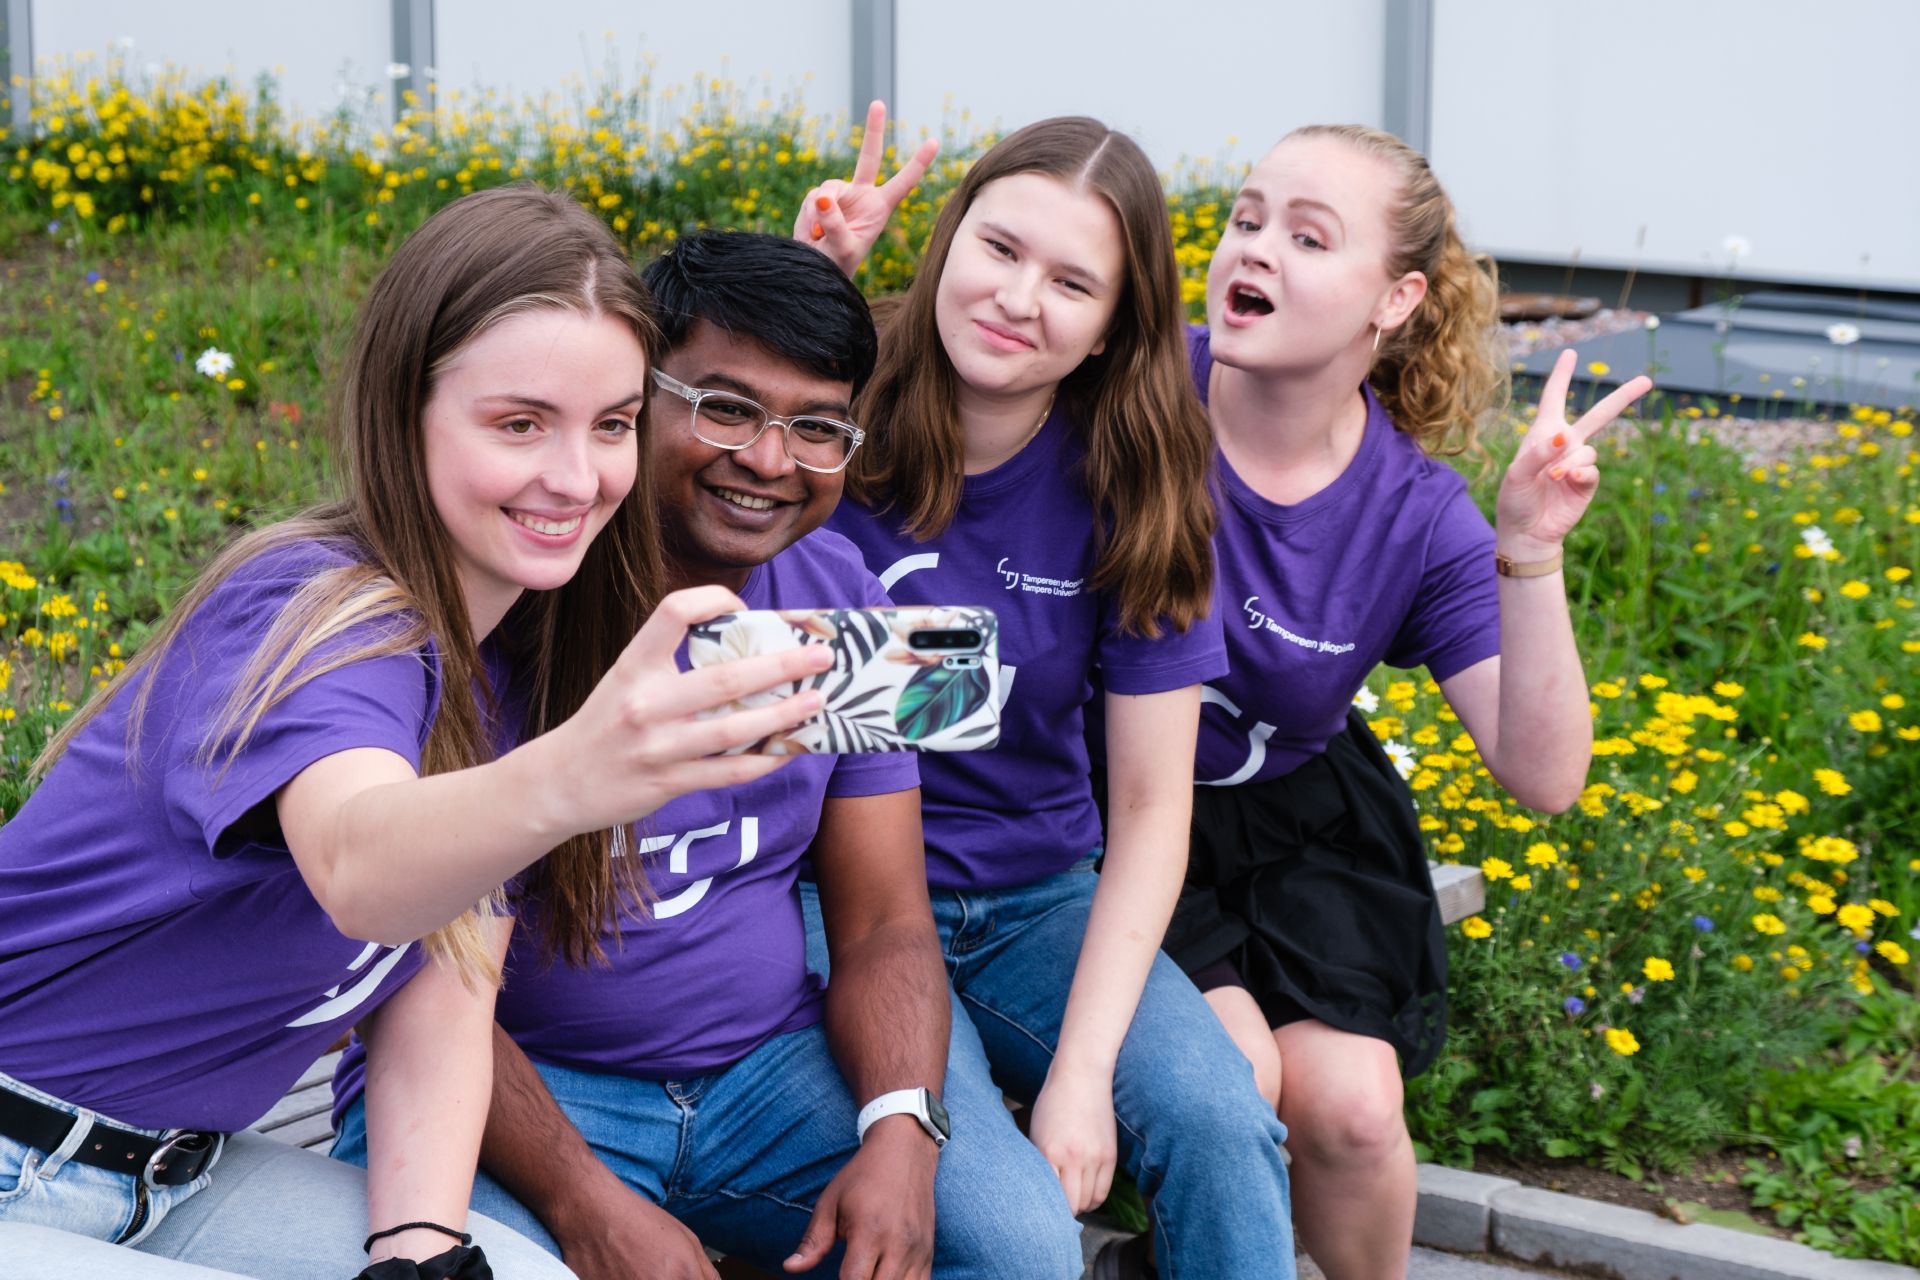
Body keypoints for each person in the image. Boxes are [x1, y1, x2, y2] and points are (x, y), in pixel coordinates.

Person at [0, 187, 828, 1279]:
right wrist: (579, 775)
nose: (578, 479)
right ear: (408, 411)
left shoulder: (511, 647)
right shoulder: (313, 611)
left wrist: (419, 1248)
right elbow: (362, 862)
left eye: (613, 425)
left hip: (184, 1172)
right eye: (520, 423)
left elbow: (446, 972)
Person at [330, 228, 1087, 1280]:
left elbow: (882, 919)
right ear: (638, 402)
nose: (770, 460)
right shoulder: (510, 590)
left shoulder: (843, 597)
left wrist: (902, 1130)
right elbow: (419, 973)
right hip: (530, 1081)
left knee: (1021, 1250)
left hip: (765, 1077)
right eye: (726, 408)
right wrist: (586, 1199)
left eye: (818, 427)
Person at [798, 115, 1297, 1278]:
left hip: (1035, 901)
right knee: (997, 1211)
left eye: (1072, 282)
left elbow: (1154, 808)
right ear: (944, 241)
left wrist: (1081, 1071)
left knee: (1223, 1120)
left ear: (1115, 327)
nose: (1020, 298)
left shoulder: (1135, 476)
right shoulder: (833, 409)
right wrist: (811, 281)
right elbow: (678, 436)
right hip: (836, 900)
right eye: (1000, 247)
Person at [1152, 124, 1653, 1280]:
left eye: (1308, 236)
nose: (1256, 250)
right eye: (1246, 218)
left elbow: (1545, 773)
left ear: (1395, 298)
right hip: (1108, 807)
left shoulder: (1416, 512)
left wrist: (1529, 549)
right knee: (1238, 1075)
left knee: (1357, 1106)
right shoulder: (1136, 391)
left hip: (1293, 821)